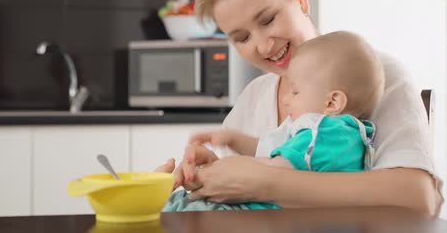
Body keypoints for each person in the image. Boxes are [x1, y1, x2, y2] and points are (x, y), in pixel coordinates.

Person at [156, 0, 443, 215]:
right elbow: (247, 195)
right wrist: (210, 181)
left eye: (268, 19)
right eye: (242, 38)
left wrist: (266, 184)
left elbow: (419, 198)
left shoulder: (378, 75)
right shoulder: (255, 95)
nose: (264, 46)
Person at [163, 31, 383, 211]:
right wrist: (232, 140)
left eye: (295, 92)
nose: (286, 100)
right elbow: (269, 149)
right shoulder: (315, 132)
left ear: (333, 102)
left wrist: (226, 170)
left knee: (181, 209)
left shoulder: (328, 131)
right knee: (179, 204)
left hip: (258, 214)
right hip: (262, 213)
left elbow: (279, 168)